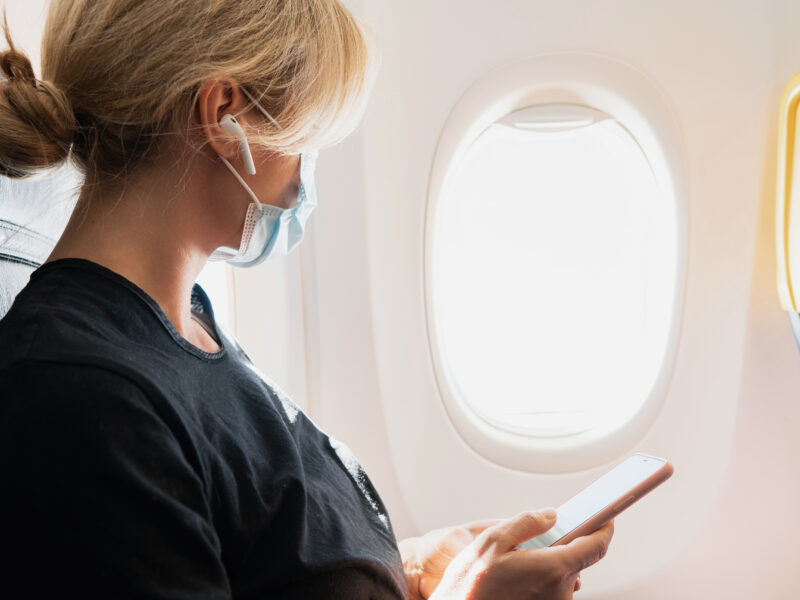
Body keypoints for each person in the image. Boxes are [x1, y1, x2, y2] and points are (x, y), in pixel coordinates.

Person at [0, 1, 613, 598]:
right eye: (306, 137)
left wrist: (401, 569)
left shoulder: (188, 322)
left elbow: (260, 552)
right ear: (223, 114)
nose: (304, 173)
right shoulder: (78, 396)